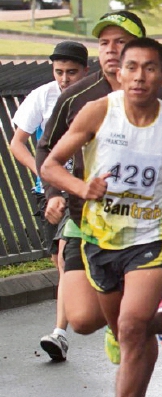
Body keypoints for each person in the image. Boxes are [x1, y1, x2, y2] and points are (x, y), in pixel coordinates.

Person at [41, 37, 162, 397]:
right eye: (131, 67)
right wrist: (80, 188)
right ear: (119, 72)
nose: (139, 76)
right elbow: (50, 165)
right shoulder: (98, 112)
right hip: (100, 237)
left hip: (154, 236)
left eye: (149, 68)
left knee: (130, 327)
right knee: (123, 327)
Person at [36, 12, 162, 397]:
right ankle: (161, 323)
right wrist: (58, 193)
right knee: (84, 318)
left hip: (139, 227)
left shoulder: (159, 103)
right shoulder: (77, 96)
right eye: (104, 42)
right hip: (84, 221)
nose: (110, 49)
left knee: (131, 326)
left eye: (119, 41)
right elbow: (46, 152)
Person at [7, 40, 89, 360]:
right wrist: (42, 172)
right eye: (59, 72)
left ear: (85, 70)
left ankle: (59, 333)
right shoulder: (42, 96)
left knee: (64, 253)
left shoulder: (95, 97)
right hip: (49, 191)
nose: (65, 78)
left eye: (71, 72)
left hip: (84, 190)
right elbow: (18, 143)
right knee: (59, 261)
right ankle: (83, 302)